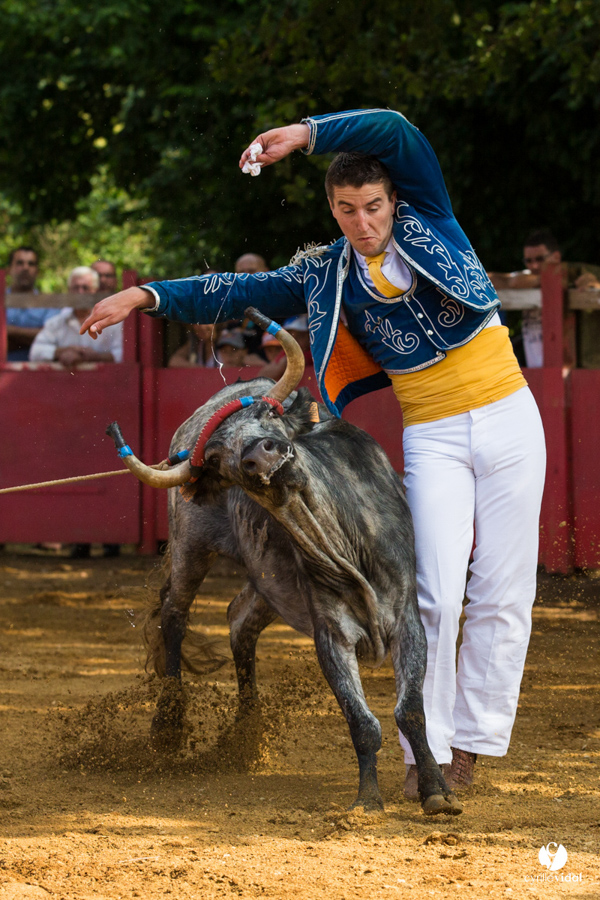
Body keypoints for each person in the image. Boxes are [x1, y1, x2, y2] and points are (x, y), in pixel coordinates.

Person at [80, 107, 547, 796]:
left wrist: (305, 135)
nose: (363, 222)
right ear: (332, 210)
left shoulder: (431, 216)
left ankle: (471, 747)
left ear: (394, 199)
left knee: (504, 589)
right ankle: (425, 748)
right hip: (434, 433)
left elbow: (395, 129)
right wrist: (144, 295)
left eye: (373, 206)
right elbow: (234, 291)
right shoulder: (327, 274)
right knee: (434, 595)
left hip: (510, 415)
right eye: (347, 210)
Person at [488, 230, 600, 368]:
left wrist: (590, 285)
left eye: (539, 259)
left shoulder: (574, 276)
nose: (534, 265)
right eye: (528, 261)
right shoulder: (525, 278)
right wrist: (544, 280)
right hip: (534, 369)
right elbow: (494, 279)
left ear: (556, 256)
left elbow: (591, 283)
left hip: (572, 368)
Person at [30, 266, 123, 366]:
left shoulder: (111, 322)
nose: (80, 292)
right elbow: (35, 352)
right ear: (69, 291)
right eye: (75, 288)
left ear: (95, 291)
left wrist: (97, 357)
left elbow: (122, 353)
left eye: (85, 288)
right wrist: (63, 352)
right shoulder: (57, 322)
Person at [5, 247, 61, 361]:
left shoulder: (49, 304)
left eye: (31, 264)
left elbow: (53, 338)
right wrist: (36, 341)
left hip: (39, 370)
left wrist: (7, 331)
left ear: (37, 271)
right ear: (9, 269)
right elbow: (44, 339)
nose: (25, 268)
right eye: (20, 263)